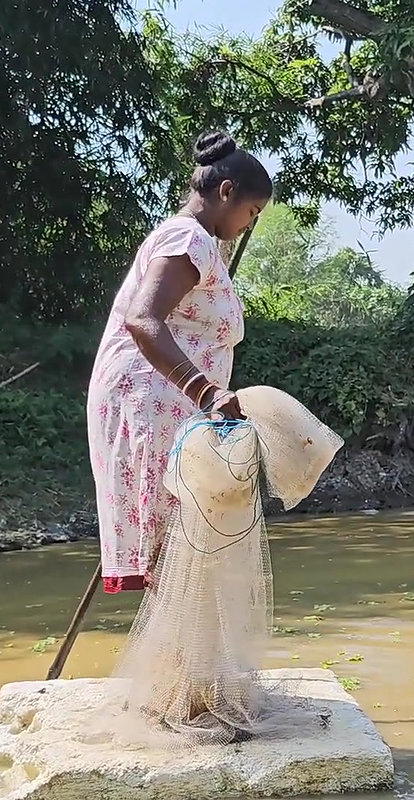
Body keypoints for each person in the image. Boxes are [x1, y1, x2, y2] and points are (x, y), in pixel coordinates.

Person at [86, 130, 272, 595]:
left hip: (172, 403)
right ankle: (179, 658)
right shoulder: (187, 237)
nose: (249, 225)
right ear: (225, 193)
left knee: (184, 536)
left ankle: (184, 657)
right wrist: (205, 391)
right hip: (151, 401)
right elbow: (143, 320)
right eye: (251, 213)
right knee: (174, 540)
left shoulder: (204, 244)